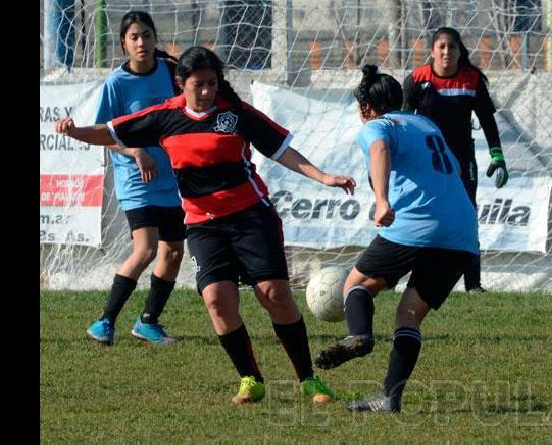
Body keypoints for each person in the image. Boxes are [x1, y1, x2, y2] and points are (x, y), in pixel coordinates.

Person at [56, 46, 353, 405]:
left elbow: (281, 149)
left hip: (250, 216)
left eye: (212, 83)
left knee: (273, 294)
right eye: (199, 85)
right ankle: (250, 379)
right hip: (203, 224)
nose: (207, 91)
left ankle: (308, 379)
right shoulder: (165, 117)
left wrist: (324, 177)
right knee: (216, 299)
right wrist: (75, 132)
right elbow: (113, 132)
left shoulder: (236, 113)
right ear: (181, 84)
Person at [313, 65, 479, 413]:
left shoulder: (376, 125)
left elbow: (379, 150)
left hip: (416, 224)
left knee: (355, 285)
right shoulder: (425, 124)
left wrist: (383, 200)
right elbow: (458, 169)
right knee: (409, 315)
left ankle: (358, 335)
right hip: (462, 231)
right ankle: (390, 397)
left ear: (365, 108)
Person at [86, 10, 185, 346]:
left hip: (171, 178)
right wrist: (136, 151)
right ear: (124, 44)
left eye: (146, 35)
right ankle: (105, 321)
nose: (141, 42)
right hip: (135, 178)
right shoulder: (117, 83)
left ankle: (148, 321)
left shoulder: (172, 74)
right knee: (145, 249)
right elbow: (105, 133)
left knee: (173, 252)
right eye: (134, 37)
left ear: (155, 38)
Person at [401, 26, 505, 292]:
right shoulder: (417, 79)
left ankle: (473, 285)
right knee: (422, 214)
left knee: (467, 216)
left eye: (453, 46)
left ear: (460, 51)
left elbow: (488, 121)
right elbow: (402, 122)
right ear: (432, 51)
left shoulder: (471, 80)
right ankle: (410, 279)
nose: (447, 51)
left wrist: (497, 156)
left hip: (461, 161)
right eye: (442, 46)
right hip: (426, 162)